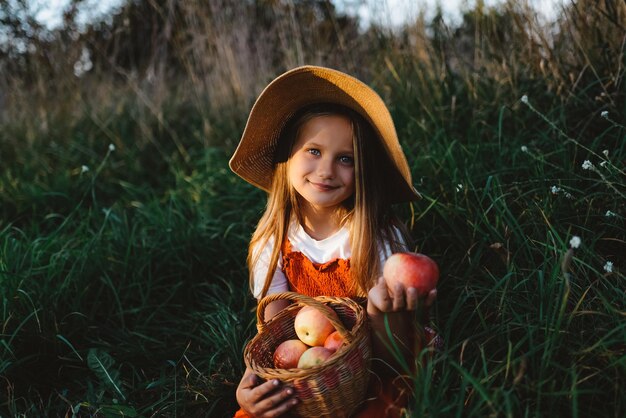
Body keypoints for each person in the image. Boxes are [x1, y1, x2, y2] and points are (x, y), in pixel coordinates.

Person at [229, 65, 439, 418]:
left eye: (345, 159)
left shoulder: (376, 239)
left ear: (364, 172)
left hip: (374, 363)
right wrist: (254, 381)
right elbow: (276, 338)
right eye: (313, 151)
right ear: (287, 156)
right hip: (311, 375)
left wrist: (385, 313)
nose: (326, 170)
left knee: (383, 403)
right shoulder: (273, 241)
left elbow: (393, 360)